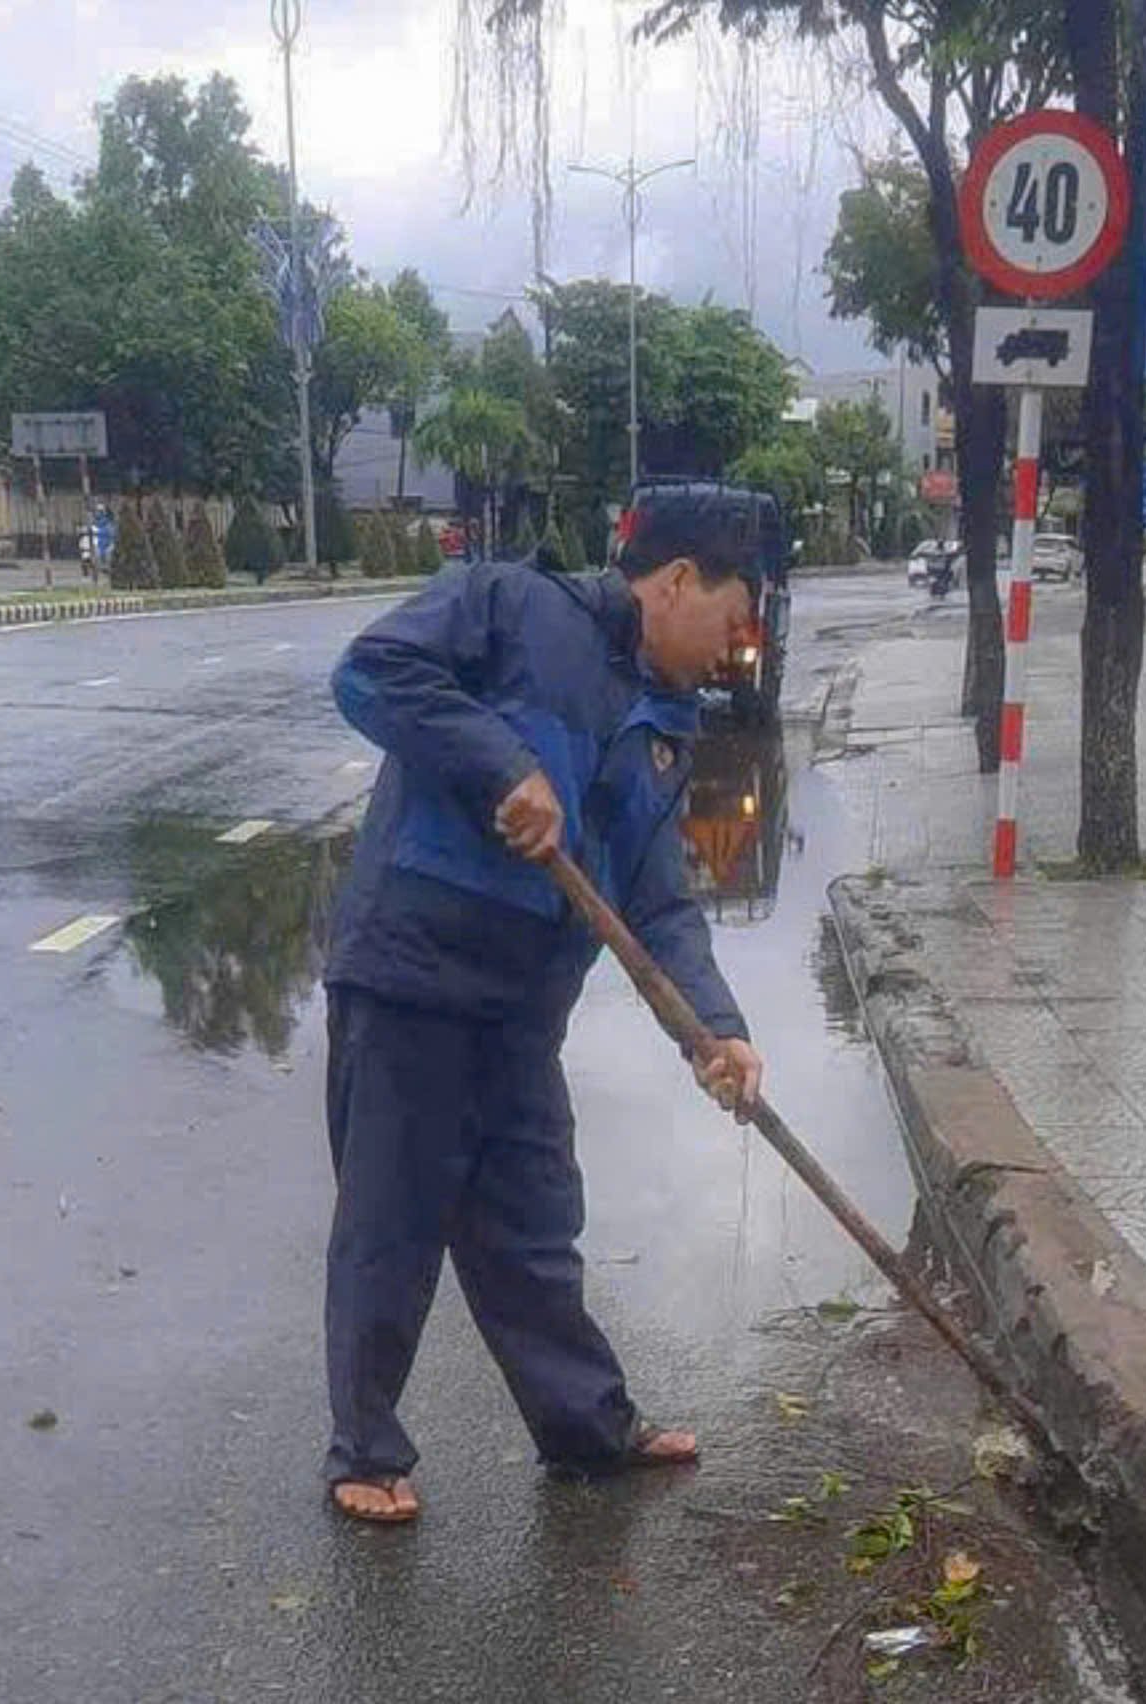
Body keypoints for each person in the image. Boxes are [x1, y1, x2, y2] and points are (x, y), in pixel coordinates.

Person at [317, 485, 769, 1525]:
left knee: (532, 1226)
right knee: (392, 1220)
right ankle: (364, 1453)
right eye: (730, 614)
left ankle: (587, 1431)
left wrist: (716, 1030)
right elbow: (371, 670)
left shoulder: (665, 725)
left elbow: (659, 902)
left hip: (523, 1010)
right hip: (413, 975)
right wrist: (500, 766)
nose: (736, 643)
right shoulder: (511, 608)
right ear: (674, 582)